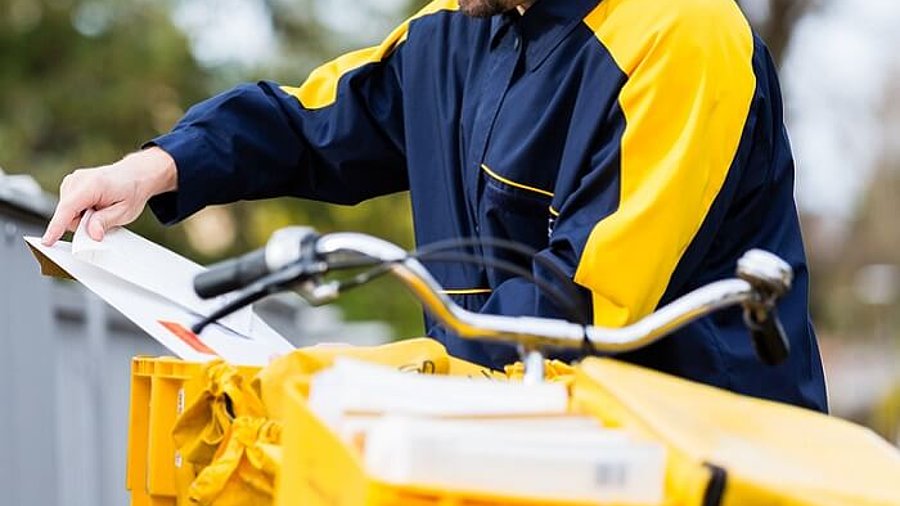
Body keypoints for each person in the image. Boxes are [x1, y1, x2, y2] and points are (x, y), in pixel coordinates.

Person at [42, 0, 828, 412]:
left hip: (701, 461)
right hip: (521, 448)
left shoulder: (684, 32)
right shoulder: (455, 31)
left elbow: (582, 304)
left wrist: (378, 380)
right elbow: (312, 124)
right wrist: (157, 166)